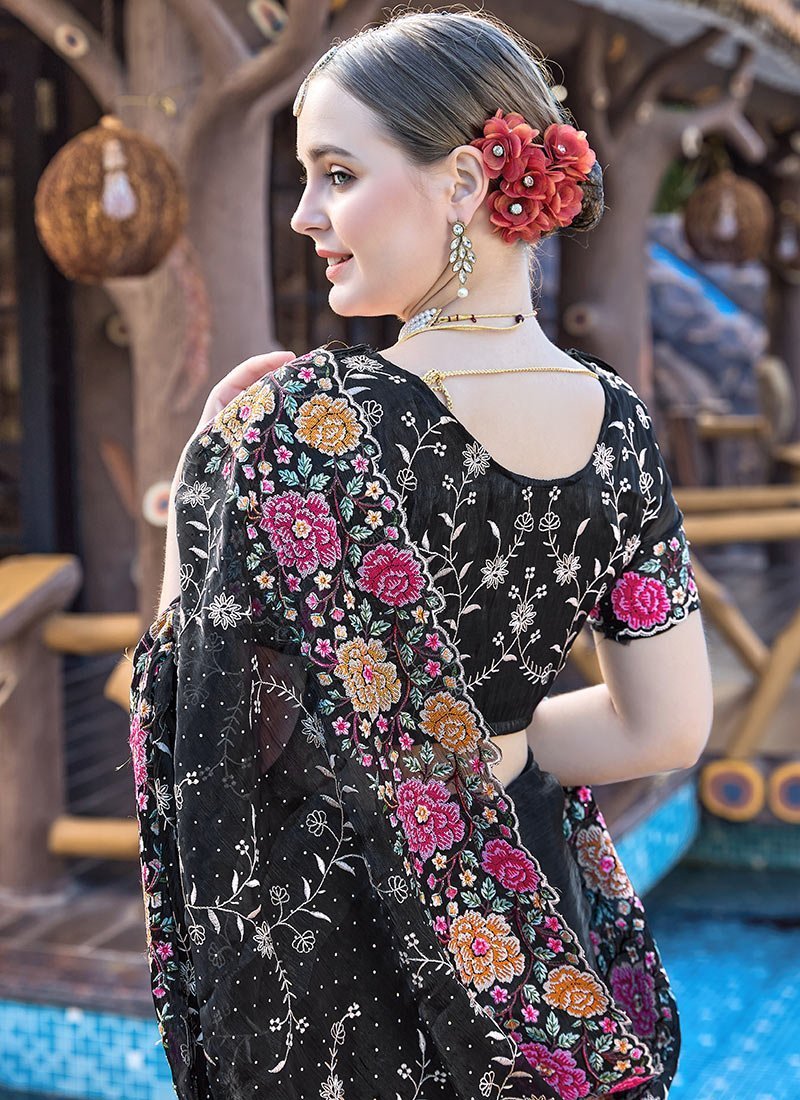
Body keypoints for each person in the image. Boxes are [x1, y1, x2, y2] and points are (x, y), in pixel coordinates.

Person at [129, 9, 713, 1100]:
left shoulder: (291, 424)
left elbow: (194, 719)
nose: (304, 213)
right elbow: (664, 729)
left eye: (337, 173)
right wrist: (489, 742)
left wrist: (193, 497)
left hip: (340, 972)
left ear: (464, 181)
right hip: (526, 939)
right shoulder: (619, 424)